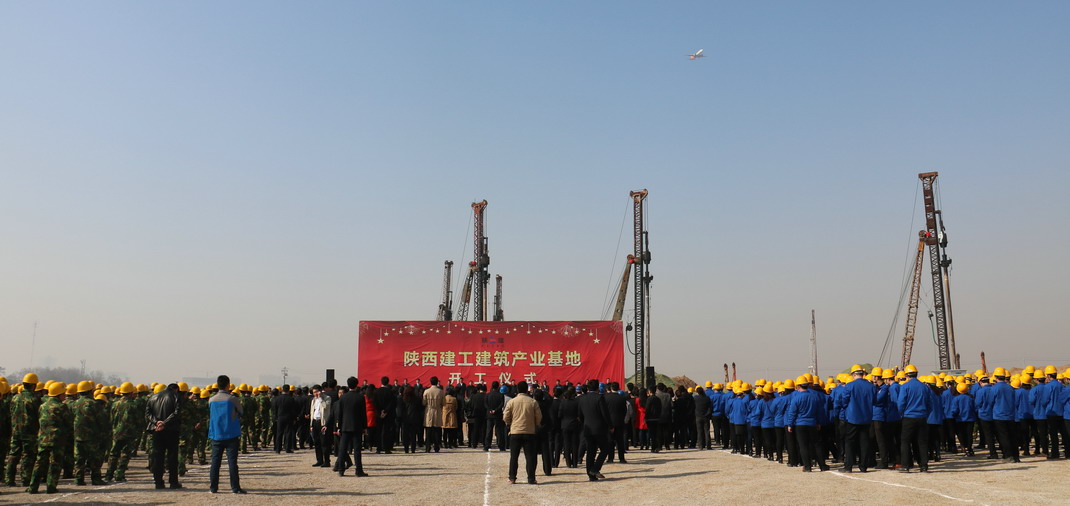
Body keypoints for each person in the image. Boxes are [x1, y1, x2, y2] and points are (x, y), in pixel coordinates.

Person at [27, 382, 70, 494]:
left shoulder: (42, 406)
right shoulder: (61, 406)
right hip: (57, 439)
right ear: (58, 394)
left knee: (39, 463)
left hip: (43, 438)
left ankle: (33, 487)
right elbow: (68, 422)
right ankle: (51, 487)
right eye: (63, 393)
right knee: (55, 463)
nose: (65, 395)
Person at [207, 375, 245, 494]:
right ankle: (235, 488)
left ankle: (213, 487)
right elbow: (241, 412)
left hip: (216, 434)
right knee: (232, 463)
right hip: (231, 434)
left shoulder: (211, 400)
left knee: (215, 462)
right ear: (228, 385)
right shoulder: (232, 399)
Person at [5, 373, 42, 488]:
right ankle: (25, 480)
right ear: (33, 385)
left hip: (16, 431)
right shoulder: (35, 399)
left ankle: (9, 479)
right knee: (28, 456)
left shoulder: (15, 397)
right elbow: (39, 415)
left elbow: (11, 412)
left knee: (13, 454)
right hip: (29, 432)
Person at [503, 381, 542, 485]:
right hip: (529, 432)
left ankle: (512, 477)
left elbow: (505, 416)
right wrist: (535, 425)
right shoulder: (533, 402)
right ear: (527, 390)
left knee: (514, 456)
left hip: (515, 431)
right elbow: (539, 417)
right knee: (530, 457)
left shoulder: (512, 402)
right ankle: (531, 478)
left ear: (517, 390)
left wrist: (510, 424)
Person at [839, 365, 876, 473]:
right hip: (866, 417)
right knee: (864, 442)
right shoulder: (871, 386)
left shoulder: (850, 386)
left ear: (853, 374)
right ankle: (863, 466)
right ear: (863, 374)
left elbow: (844, 401)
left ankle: (848, 466)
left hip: (853, 417)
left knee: (850, 442)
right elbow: (874, 401)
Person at [896, 365, 933, 472]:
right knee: (922, 442)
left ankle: (906, 465)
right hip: (922, 417)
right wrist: (925, 414)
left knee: (905, 441)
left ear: (907, 375)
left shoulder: (905, 387)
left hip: (909, 417)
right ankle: (924, 465)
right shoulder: (925, 387)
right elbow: (930, 404)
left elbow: (901, 403)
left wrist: (902, 414)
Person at [147, 383, 182, 489]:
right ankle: (173, 482)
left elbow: (148, 413)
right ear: (176, 389)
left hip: (157, 430)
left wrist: (156, 422)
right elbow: (176, 413)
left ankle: (158, 482)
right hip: (171, 430)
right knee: (172, 456)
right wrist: (164, 423)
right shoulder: (176, 397)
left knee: (158, 456)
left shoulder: (153, 397)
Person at [577, 379, 613, 481]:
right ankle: (595, 468)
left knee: (590, 452)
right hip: (599, 429)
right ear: (598, 388)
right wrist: (610, 426)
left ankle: (591, 475)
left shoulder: (582, 399)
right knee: (605, 449)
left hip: (587, 428)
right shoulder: (599, 398)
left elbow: (580, 415)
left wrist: (585, 423)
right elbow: (605, 414)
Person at [334, 377, 368, 477]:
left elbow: (340, 414)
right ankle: (359, 470)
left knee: (342, 449)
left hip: (345, 426)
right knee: (357, 450)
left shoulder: (343, 397)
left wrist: (339, 426)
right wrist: (364, 427)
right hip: (357, 426)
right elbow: (363, 414)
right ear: (357, 384)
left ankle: (341, 470)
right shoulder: (360, 397)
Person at [272, 385, 299, 453]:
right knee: (288, 433)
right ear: (288, 390)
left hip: (280, 417)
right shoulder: (291, 399)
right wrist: (294, 418)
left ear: (282, 390)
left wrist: (275, 417)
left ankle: (278, 449)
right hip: (288, 417)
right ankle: (287, 448)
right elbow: (293, 410)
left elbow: (274, 409)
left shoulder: (277, 398)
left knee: (279, 433)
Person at [310, 384, 331, 467]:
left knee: (324, 442)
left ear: (320, 391)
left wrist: (320, 398)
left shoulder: (327, 398)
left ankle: (327, 461)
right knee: (317, 442)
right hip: (315, 421)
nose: (315, 394)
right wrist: (311, 424)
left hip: (322, 422)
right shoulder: (313, 400)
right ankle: (319, 460)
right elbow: (312, 411)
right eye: (313, 392)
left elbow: (325, 406)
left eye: (316, 392)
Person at [374, 376, 397, 454]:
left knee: (378, 431)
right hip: (388, 414)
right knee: (387, 431)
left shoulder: (376, 391)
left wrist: (380, 411)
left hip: (378, 414)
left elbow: (375, 403)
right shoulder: (390, 392)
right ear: (388, 382)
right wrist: (386, 411)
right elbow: (392, 403)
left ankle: (378, 448)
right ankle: (387, 448)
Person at [422, 376, 445, 453]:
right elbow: (444, 403)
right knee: (437, 430)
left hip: (428, 411)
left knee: (428, 430)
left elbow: (423, 403)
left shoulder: (426, 391)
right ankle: (436, 447)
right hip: (437, 411)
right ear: (437, 382)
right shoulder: (441, 391)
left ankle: (428, 447)